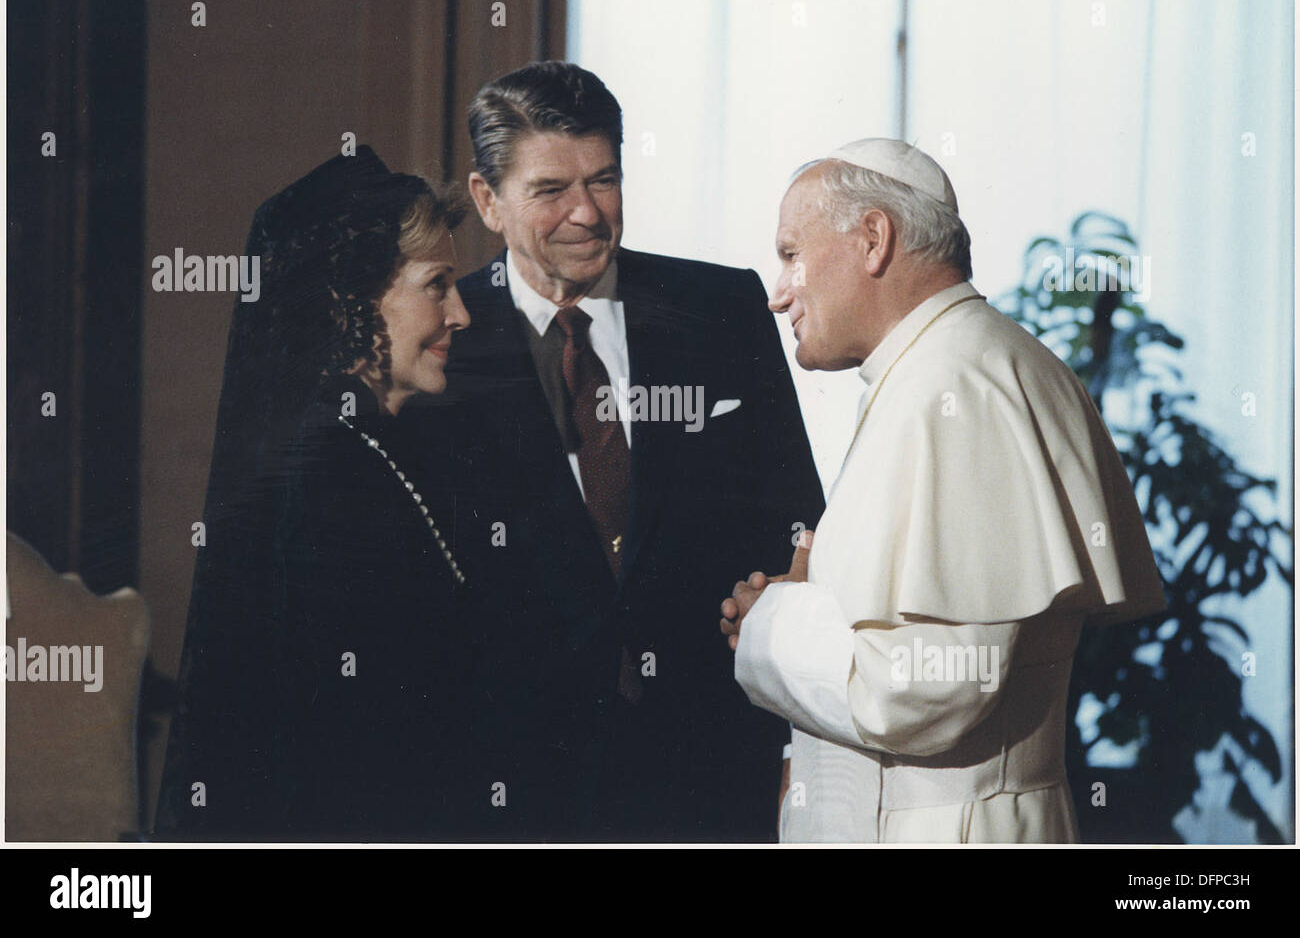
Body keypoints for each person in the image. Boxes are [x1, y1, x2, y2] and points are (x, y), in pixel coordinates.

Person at [416, 61, 826, 841]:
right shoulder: (442, 343)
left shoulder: (723, 311)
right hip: (509, 792)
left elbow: (799, 522)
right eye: (549, 190)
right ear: (486, 201)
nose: (585, 214)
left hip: (707, 780)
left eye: (604, 180)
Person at [721, 138, 1167, 843]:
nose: (778, 295)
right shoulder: (962, 363)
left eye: (790, 254)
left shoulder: (951, 383)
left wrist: (771, 623)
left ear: (874, 239)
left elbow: (930, 688)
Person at [154, 147, 488, 841]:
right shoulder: (322, 477)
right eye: (436, 285)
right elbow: (342, 741)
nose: (460, 313)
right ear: (352, 299)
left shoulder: (376, 449)